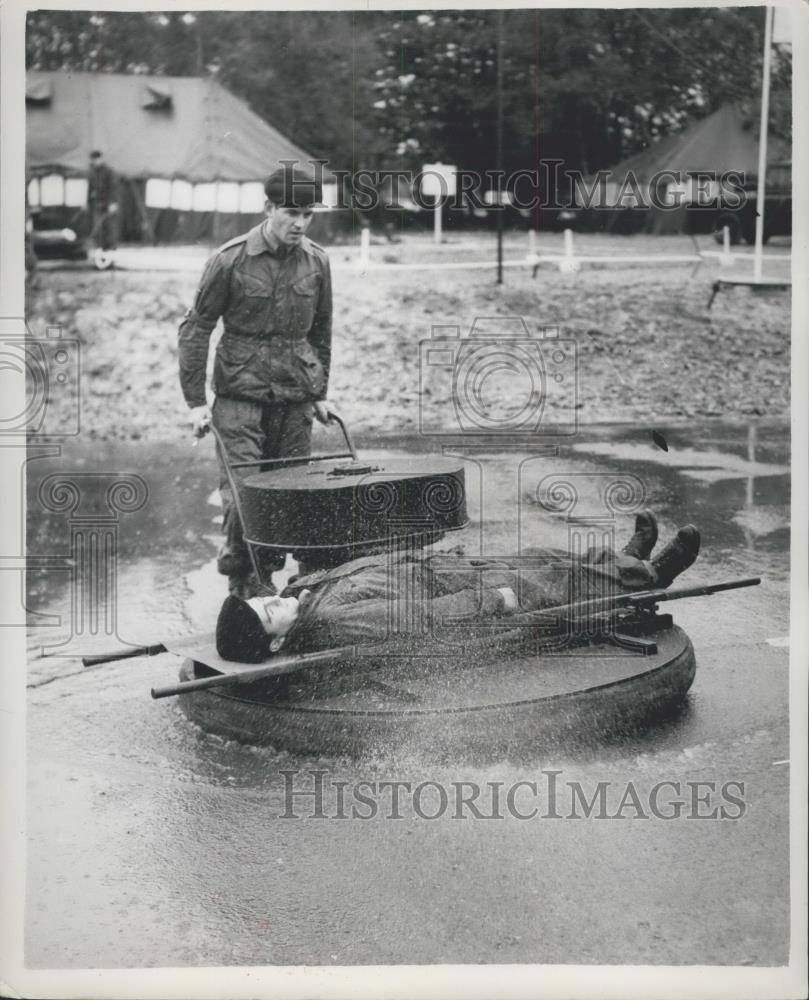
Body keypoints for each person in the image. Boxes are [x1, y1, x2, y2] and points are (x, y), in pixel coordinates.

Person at [215, 511, 701, 663]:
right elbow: (417, 619)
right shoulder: (330, 619)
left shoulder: (305, 592)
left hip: (446, 567)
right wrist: (489, 601)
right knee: (558, 581)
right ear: (278, 639)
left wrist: (298, 588)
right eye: (268, 613)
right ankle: (654, 575)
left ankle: (629, 559)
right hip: (466, 588)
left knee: (545, 557)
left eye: (262, 598)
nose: (272, 598)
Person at [178, 165, 339, 599]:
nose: (300, 223)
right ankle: (245, 587)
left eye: (308, 214)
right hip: (239, 396)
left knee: (293, 491)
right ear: (268, 208)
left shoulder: (317, 261)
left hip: (295, 396)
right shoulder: (230, 260)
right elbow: (196, 328)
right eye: (291, 212)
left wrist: (320, 392)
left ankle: (299, 591)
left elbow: (321, 331)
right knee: (245, 494)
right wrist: (196, 402)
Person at [87, 150, 119, 253]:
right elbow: (90, 189)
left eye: (96, 160)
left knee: (109, 226)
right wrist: (87, 202)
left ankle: (111, 248)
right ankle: (100, 247)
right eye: (93, 160)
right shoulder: (92, 172)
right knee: (98, 226)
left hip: (108, 203)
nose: (94, 162)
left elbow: (113, 188)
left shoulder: (109, 171)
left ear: (101, 159)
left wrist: (112, 203)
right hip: (97, 203)